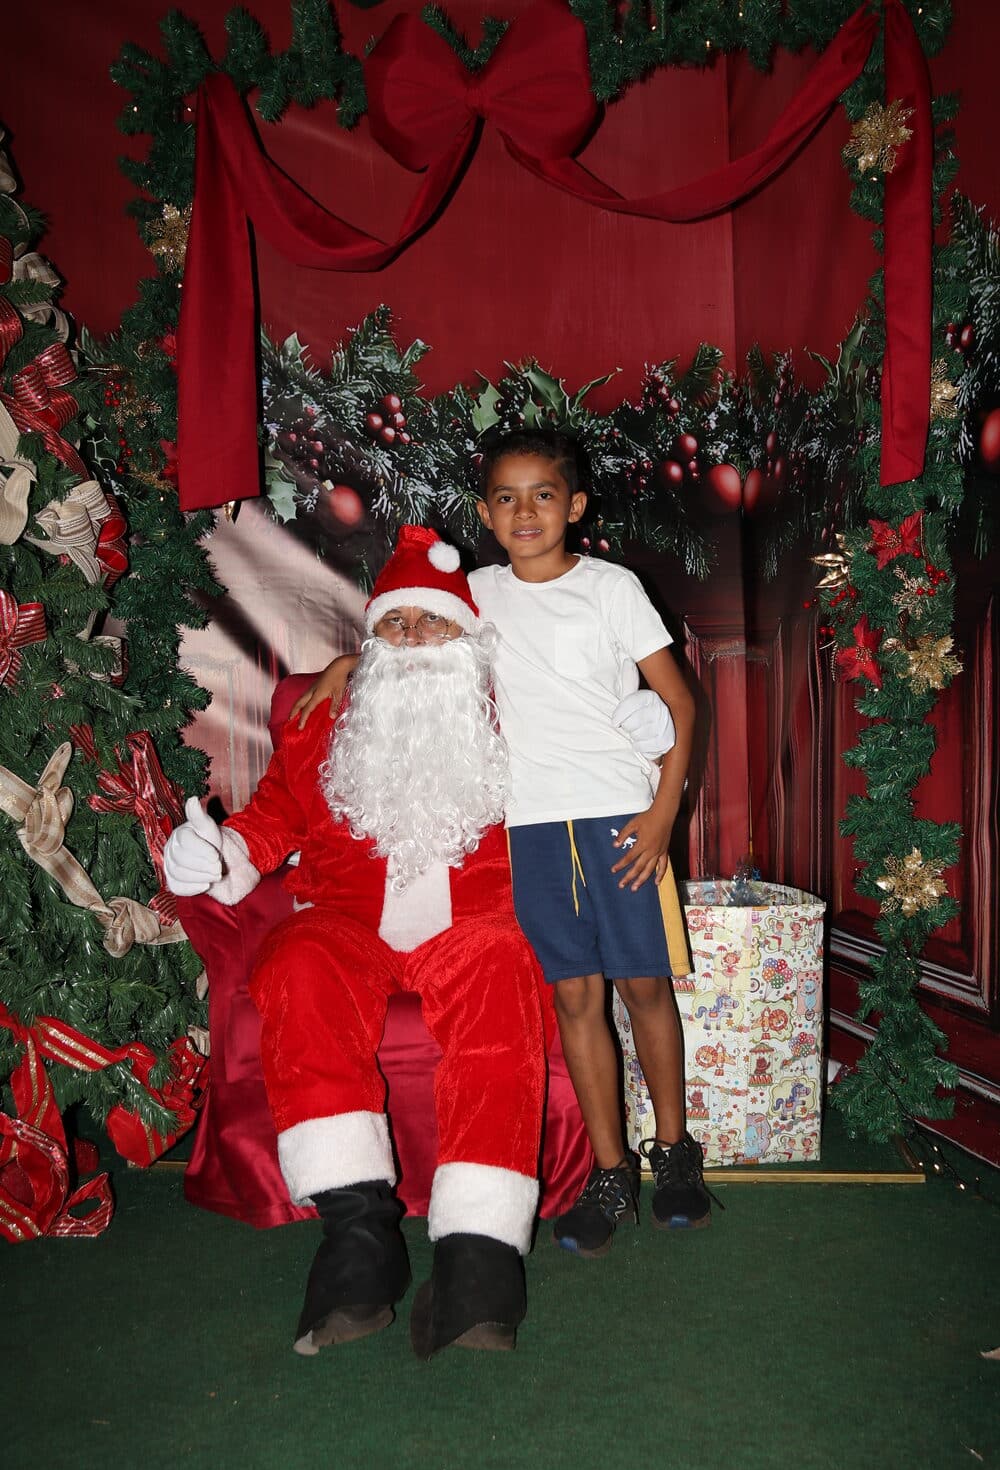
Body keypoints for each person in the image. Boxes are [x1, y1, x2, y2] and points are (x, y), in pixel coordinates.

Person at [296, 431, 711, 1261]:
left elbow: (681, 702)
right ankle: (610, 1172)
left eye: (544, 495)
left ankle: (674, 1153)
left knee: (643, 985)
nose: (526, 512)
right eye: (507, 498)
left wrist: (666, 811)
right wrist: (350, 663)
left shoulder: (612, 589)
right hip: (533, 826)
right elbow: (416, 631)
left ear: (575, 505)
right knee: (575, 998)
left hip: (623, 816)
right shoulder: (479, 592)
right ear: (485, 515)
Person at [164, 527, 549, 1360]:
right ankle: (358, 1238)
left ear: (468, 635)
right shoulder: (325, 717)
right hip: (347, 918)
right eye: (394, 624)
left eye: (433, 621)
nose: (412, 640)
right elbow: (276, 815)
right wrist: (221, 852)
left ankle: (479, 1257)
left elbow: (585, 754)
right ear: (370, 638)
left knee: (500, 969)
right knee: (297, 962)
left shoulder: (519, 708)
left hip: (474, 923)